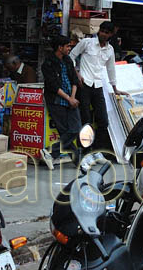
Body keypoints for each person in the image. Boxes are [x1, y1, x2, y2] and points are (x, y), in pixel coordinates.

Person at [69, 21, 124, 153]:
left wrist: (115, 88)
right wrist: (77, 73)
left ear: (111, 34)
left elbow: (111, 70)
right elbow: (71, 56)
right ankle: (86, 151)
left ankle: (98, 150)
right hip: (84, 85)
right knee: (86, 119)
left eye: (106, 32)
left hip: (98, 86)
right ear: (99, 31)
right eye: (102, 31)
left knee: (103, 120)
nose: (103, 34)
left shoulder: (110, 50)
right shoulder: (87, 42)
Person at [40, 36, 80, 170]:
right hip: (57, 101)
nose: (70, 49)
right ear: (60, 47)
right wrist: (69, 99)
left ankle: (49, 152)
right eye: (68, 46)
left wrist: (72, 97)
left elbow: (74, 80)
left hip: (71, 99)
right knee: (66, 132)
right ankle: (79, 161)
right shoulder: (48, 64)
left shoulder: (68, 60)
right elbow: (53, 86)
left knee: (75, 129)